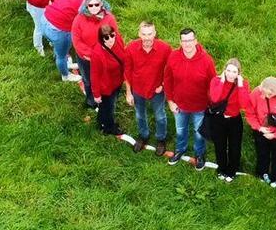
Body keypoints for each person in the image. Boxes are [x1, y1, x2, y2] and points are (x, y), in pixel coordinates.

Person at [164, 28, 216, 165]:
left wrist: (211, 104)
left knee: (199, 133)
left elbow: (213, 85)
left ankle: (199, 154)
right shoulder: (173, 56)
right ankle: (180, 149)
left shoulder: (207, 61)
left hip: (200, 106)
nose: (187, 44)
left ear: (196, 41)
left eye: (190, 40)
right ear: (180, 42)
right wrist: (170, 101)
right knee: (180, 130)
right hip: (179, 105)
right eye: (184, 41)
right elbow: (167, 79)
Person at [123, 21, 171, 151]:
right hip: (138, 89)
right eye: (144, 34)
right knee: (139, 115)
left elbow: (170, 69)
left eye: (150, 34)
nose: (147, 37)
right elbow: (127, 71)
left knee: (160, 116)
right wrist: (128, 92)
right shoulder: (131, 48)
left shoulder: (165, 49)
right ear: (139, 34)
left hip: (157, 90)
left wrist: (163, 84)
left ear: (155, 33)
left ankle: (161, 138)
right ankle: (143, 136)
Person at [205, 58, 250, 180]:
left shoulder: (243, 84)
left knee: (235, 147)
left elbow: (244, 105)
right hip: (218, 120)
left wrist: (240, 85)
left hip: (234, 120)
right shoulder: (216, 81)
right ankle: (222, 168)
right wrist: (222, 81)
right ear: (224, 70)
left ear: (238, 73)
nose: (231, 74)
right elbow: (215, 98)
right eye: (228, 70)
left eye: (234, 72)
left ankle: (232, 171)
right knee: (220, 146)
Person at [248, 75, 276, 186]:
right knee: (262, 153)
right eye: (263, 92)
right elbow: (250, 113)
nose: (264, 96)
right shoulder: (257, 92)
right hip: (261, 129)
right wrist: (259, 128)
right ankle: (261, 174)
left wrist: (275, 134)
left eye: (268, 94)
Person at [86, 22, 127, 136]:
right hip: (106, 87)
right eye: (106, 37)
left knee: (106, 106)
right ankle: (109, 127)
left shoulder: (117, 40)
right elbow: (94, 75)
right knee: (109, 106)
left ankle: (101, 121)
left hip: (117, 81)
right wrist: (96, 94)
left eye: (112, 35)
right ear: (101, 39)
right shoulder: (97, 53)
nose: (110, 40)